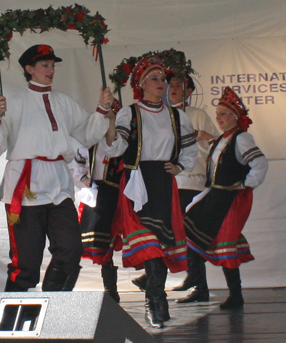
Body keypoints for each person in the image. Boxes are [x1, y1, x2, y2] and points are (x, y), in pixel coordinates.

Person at [0, 44, 113, 293]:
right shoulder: (14, 102)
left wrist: (102, 109)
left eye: (52, 65)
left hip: (58, 184)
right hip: (25, 184)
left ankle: (52, 305)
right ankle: (11, 319)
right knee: (26, 261)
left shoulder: (63, 101)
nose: (51, 70)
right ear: (29, 69)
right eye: (45, 65)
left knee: (71, 248)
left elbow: (87, 134)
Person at [101, 55, 198, 328]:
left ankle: (154, 299)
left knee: (162, 243)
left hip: (163, 183)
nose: (161, 83)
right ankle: (156, 300)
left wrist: (179, 166)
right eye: (154, 79)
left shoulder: (176, 116)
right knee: (150, 244)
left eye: (162, 79)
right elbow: (115, 149)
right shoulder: (129, 113)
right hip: (137, 183)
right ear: (141, 85)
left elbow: (190, 148)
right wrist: (109, 121)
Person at [177, 86, 268, 309]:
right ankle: (198, 284)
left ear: (235, 117)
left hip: (229, 200)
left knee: (226, 244)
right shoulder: (222, 140)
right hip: (214, 196)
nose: (219, 118)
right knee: (188, 230)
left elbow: (260, 163)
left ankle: (235, 295)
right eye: (217, 114)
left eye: (223, 114)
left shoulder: (242, 137)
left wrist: (245, 184)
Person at [131, 73, 220, 296]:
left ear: (189, 91)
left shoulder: (196, 114)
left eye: (179, 85)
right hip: (168, 181)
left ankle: (164, 275)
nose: (173, 88)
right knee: (174, 229)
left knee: (182, 229)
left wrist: (196, 135)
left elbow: (216, 142)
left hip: (192, 180)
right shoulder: (162, 115)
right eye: (171, 85)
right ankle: (199, 284)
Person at [74, 134, 122, 302]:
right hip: (98, 195)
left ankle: (113, 290)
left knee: (113, 238)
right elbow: (78, 158)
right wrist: (82, 177)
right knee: (93, 243)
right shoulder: (91, 143)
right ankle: (110, 291)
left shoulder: (122, 144)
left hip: (118, 195)